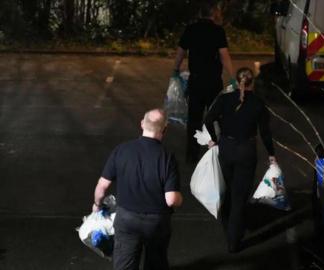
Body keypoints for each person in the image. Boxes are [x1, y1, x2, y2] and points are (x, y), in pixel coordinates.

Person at [92, 108, 183, 270]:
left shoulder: (121, 150)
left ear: (142, 124)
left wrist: (97, 205)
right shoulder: (167, 157)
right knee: (156, 262)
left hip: (127, 219)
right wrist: (180, 199)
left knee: (125, 264)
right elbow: (171, 200)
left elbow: (102, 186)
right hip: (157, 222)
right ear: (165, 129)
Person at [204, 67, 277, 253]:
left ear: (237, 81)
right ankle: (233, 240)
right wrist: (271, 155)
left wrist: (212, 141)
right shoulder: (259, 104)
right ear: (252, 82)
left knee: (226, 191)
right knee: (239, 195)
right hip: (246, 151)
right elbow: (265, 133)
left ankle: (228, 228)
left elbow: (208, 118)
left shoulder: (224, 99)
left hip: (226, 149)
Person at [173, 0, 235, 163]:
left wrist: (175, 70)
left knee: (194, 118)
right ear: (213, 14)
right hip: (214, 82)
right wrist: (233, 77)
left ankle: (192, 155)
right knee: (215, 117)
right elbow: (224, 56)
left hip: (196, 81)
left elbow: (180, 52)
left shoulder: (190, 29)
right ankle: (216, 151)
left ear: (200, 14)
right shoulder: (218, 31)